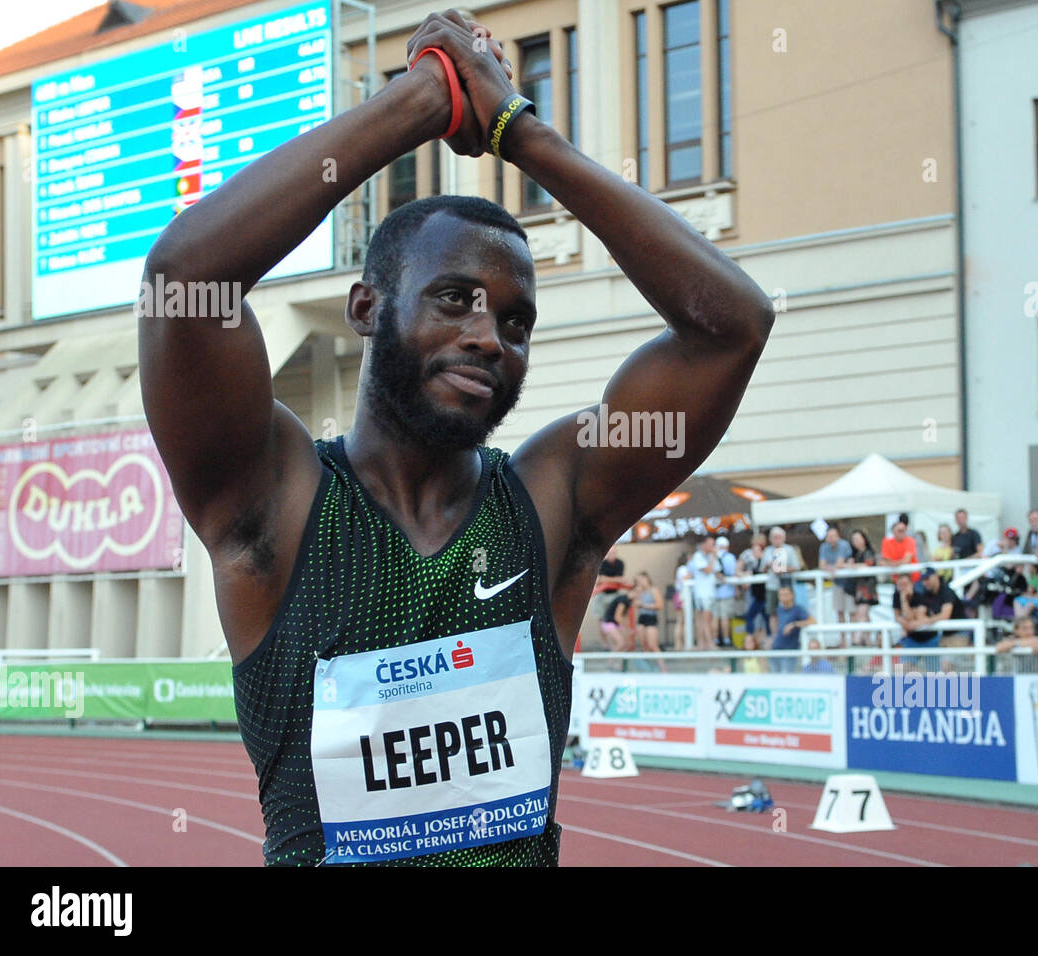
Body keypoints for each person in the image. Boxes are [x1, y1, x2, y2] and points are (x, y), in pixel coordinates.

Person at [137, 9, 774, 868]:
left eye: (516, 322)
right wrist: (425, 97)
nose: (488, 337)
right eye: (454, 299)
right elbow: (187, 283)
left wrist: (520, 130)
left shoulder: (553, 505)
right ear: (367, 309)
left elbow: (733, 325)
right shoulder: (274, 507)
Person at [759, 527, 803, 634]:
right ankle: (775, 637)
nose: (776, 540)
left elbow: (797, 566)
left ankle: (789, 634)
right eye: (774, 537)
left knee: (789, 610)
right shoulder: (768, 551)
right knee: (772, 612)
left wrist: (782, 569)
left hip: (786, 585)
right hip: (772, 585)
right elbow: (761, 569)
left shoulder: (789, 550)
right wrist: (768, 566)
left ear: (783, 538)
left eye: (779, 537)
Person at [772, 586, 814, 674]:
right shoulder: (779, 610)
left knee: (787, 679)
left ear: (792, 595)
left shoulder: (798, 609)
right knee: (774, 679)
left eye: (786, 594)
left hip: (789, 651)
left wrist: (794, 624)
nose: (783, 597)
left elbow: (812, 621)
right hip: (776, 649)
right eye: (781, 595)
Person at [819, 524, 854, 626]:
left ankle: (852, 639)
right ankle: (843, 640)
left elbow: (839, 563)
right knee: (839, 611)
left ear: (838, 536)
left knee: (851, 611)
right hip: (837, 583)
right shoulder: (824, 547)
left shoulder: (843, 544)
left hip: (849, 583)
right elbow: (821, 565)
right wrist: (831, 568)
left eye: (833, 536)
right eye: (829, 536)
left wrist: (830, 567)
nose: (831, 539)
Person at [688, 535, 720, 649]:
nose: (713, 547)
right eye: (711, 544)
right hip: (702, 593)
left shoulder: (711, 557)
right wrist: (714, 557)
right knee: (705, 619)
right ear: (704, 544)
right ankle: (709, 643)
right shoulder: (698, 556)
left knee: (705, 619)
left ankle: (702, 644)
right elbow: (707, 570)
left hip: (710, 592)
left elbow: (716, 571)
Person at [737, 534, 768, 641]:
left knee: (765, 618)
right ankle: (751, 640)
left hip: (765, 591)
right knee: (751, 617)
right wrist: (745, 575)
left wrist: (761, 557)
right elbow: (738, 570)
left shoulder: (767, 553)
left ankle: (764, 640)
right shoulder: (747, 554)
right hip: (753, 591)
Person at [631, 572, 665, 667]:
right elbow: (634, 604)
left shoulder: (653, 590)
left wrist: (645, 605)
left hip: (651, 618)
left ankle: (663, 669)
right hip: (642, 618)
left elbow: (660, 605)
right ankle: (648, 668)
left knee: (652, 645)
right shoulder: (639, 592)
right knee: (644, 645)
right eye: (638, 581)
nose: (641, 582)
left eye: (642, 579)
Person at [713, 536, 740, 647]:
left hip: (714, 592)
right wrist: (737, 588)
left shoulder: (712, 557)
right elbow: (733, 573)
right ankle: (726, 639)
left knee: (715, 618)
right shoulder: (729, 557)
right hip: (726, 591)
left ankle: (715, 640)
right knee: (725, 618)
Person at [592, 545, 627, 622]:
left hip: (615, 593)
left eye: (613, 553)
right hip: (602, 593)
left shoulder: (620, 563)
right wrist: (615, 579)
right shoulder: (602, 563)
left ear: (616, 553)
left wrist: (607, 579)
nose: (611, 555)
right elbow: (601, 579)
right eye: (610, 553)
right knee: (600, 616)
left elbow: (620, 579)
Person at [880, 514, 919, 582]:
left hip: (912, 579)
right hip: (898, 580)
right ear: (893, 531)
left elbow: (907, 560)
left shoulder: (910, 541)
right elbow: (883, 562)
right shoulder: (887, 542)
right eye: (900, 531)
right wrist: (896, 563)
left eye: (904, 530)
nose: (902, 533)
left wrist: (892, 564)